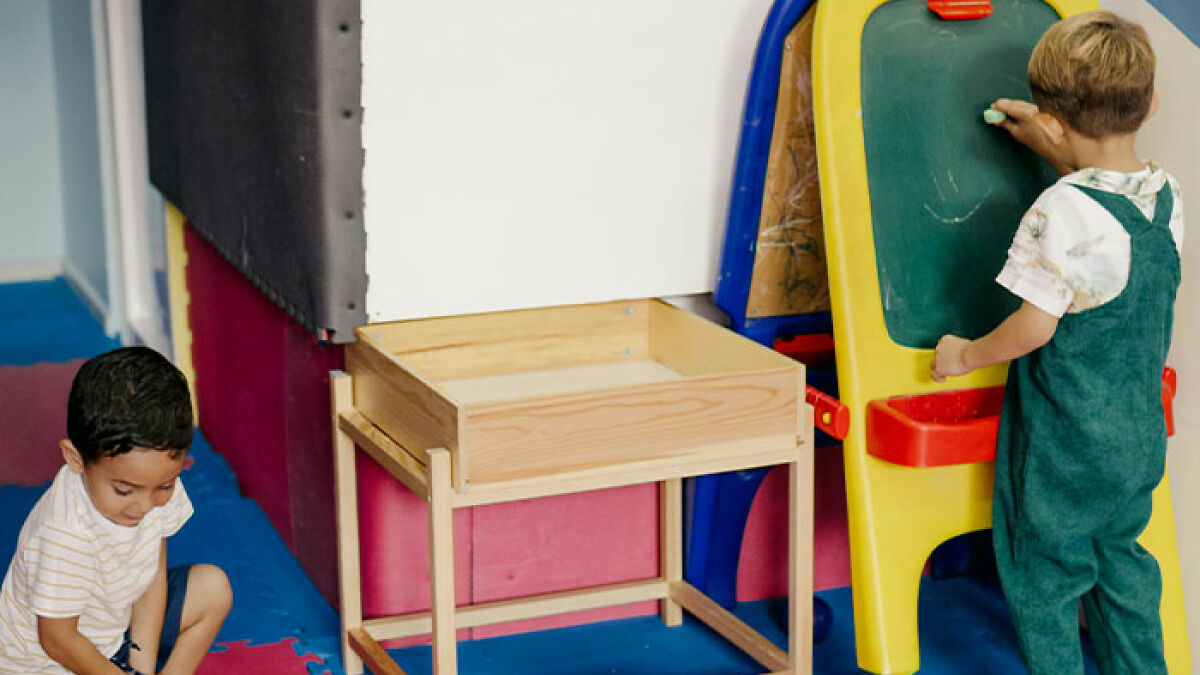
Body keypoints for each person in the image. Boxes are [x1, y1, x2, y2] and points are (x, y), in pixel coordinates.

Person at [931, 10, 1183, 674]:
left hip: (1064, 445)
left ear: (1054, 122)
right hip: (1137, 438)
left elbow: (1033, 326)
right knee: (1121, 565)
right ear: (1152, 102)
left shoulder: (1059, 211)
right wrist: (1055, 143)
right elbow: (1106, 239)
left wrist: (963, 354)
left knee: (1043, 572)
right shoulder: (1167, 197)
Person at [0, 347, 231, 674]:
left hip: (114, 632)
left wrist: (141, 665)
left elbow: (152, 577)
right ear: (76, 458)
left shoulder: (152, 480)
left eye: (164, 486)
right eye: (124, 491)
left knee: (213, 588)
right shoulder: (65, 533)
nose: (145, 505)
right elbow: (57, 640)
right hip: (49, 663)